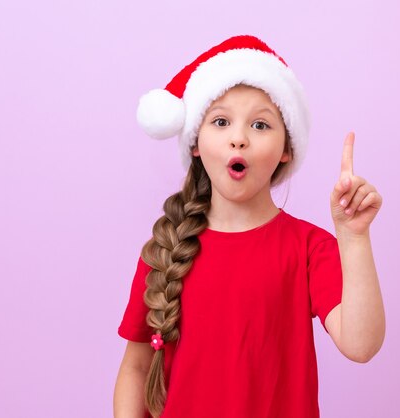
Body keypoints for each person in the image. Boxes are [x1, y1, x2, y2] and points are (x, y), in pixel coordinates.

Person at [113, 34, 385, 418]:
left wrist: (354, 238)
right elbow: (137, 367)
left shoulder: (309, 248)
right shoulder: (166, 249)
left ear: (286, 149)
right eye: (221, 121)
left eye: (260, 125)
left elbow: (361, 345)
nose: (238, 138)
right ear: (195, 141)